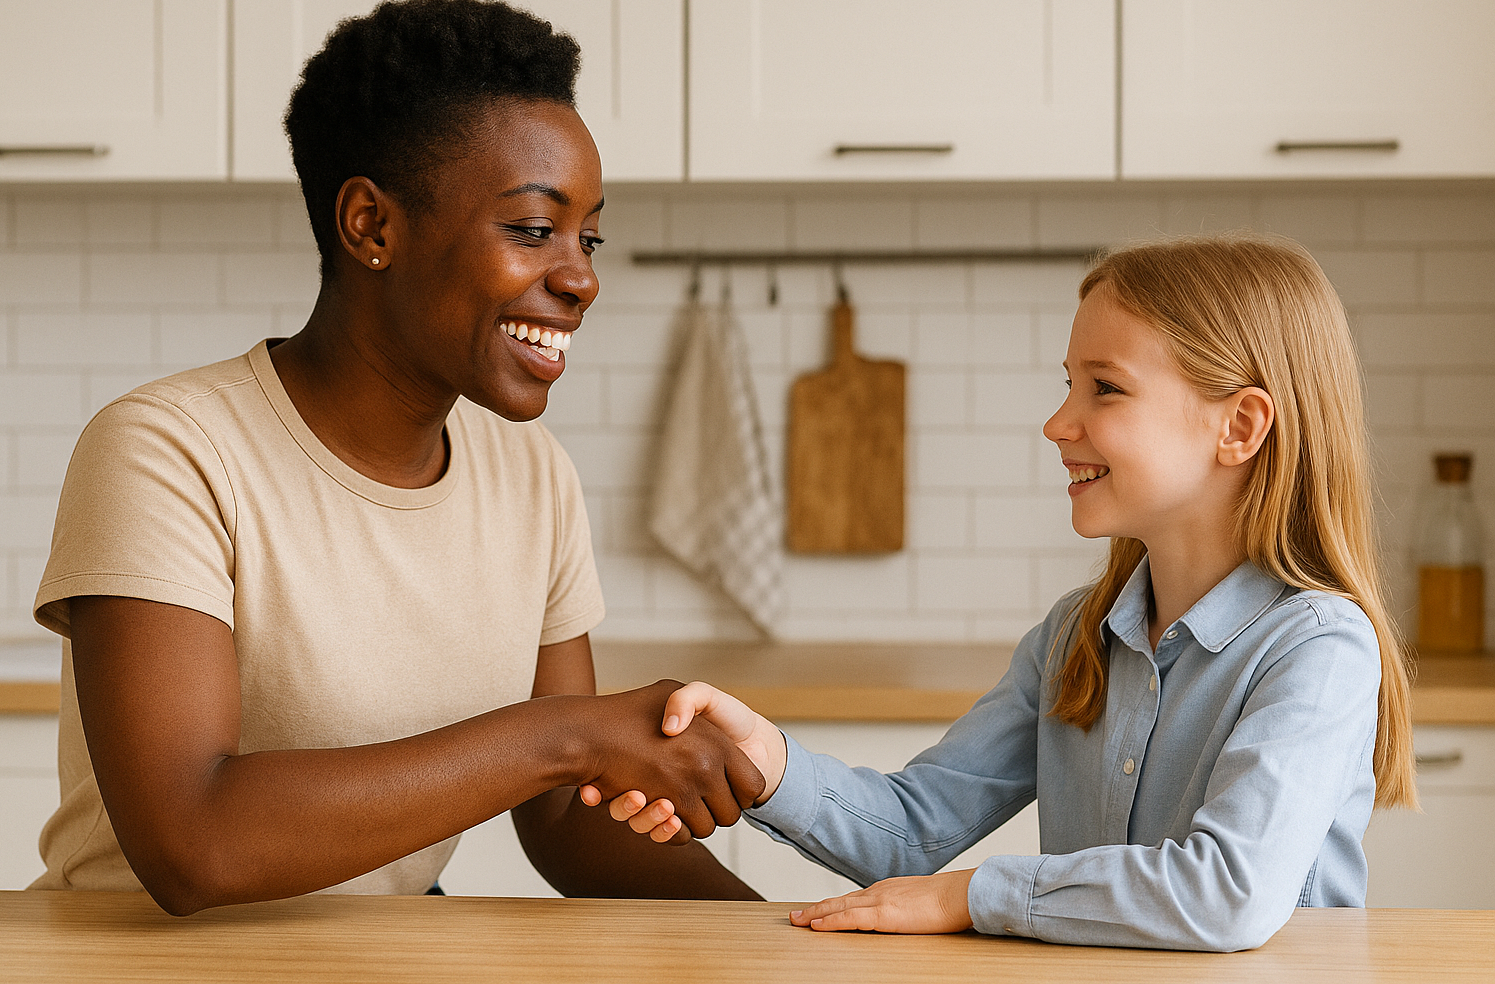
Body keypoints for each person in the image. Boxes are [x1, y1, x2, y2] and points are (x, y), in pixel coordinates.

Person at [29, 0, 762, 915]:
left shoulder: (530, 476)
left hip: (386, 946)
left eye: (589, 234)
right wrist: (569, 735)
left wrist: (780, 928)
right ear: (372, 226)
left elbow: (566, 818)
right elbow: (193, 840)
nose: (581, 277)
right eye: (534, 229)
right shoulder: (170, 451)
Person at [592, 235, 1418, 951]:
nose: (1060, 422)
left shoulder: (1317, 647)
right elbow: (912, 832)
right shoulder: (1074, 638)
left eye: (1105, 388)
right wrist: (762, 761)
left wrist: (971, 894)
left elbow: (1227, 892)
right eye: (1067, 385)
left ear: (1239, 426)